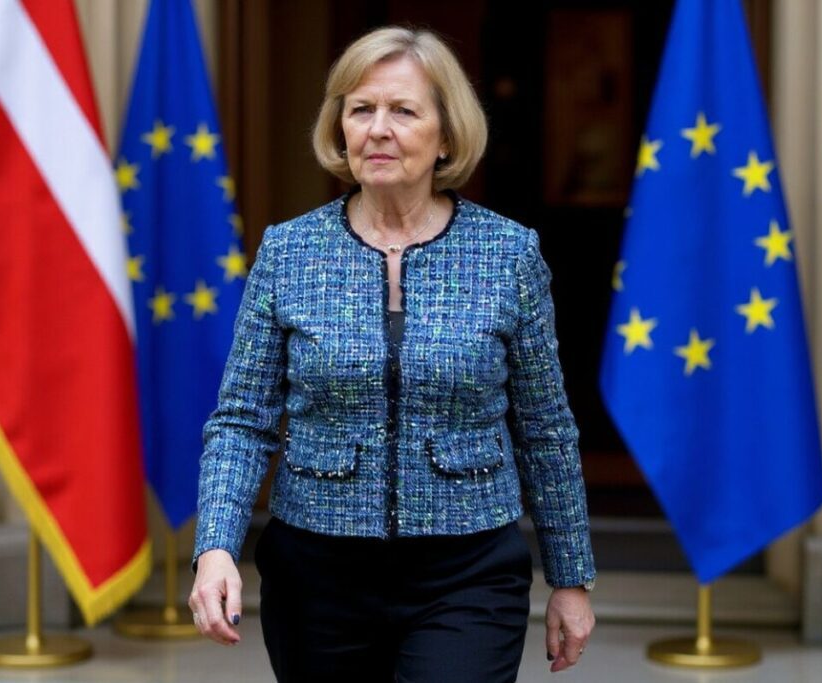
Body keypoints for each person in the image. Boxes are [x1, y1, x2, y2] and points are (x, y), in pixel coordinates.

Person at [189, 25, 596, 682]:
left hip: (467, 572)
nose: (378, 129)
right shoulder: (289, 252)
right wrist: (215, 546)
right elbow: (241, 419)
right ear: (340, 127)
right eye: (361, 109)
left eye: (404, 110)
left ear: (446, 134)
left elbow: (545, 427)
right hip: (316, 575)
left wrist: (571, 576)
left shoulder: (509, 255)